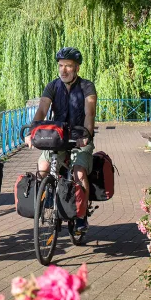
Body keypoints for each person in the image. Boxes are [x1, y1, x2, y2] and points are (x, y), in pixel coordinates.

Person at [25, 47, 97, 234]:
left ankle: (81, 217)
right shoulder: (52, 86)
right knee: (42, 167)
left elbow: (90, 114)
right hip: (58, 137)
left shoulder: (87, 87)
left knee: (79, 173)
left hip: (79, 137)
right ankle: (48, 197)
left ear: (77, 68)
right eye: (61, 66)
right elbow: (41, 110)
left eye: (69, 66)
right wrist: (32, 131)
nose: (64, 70)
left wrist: (86, 136)